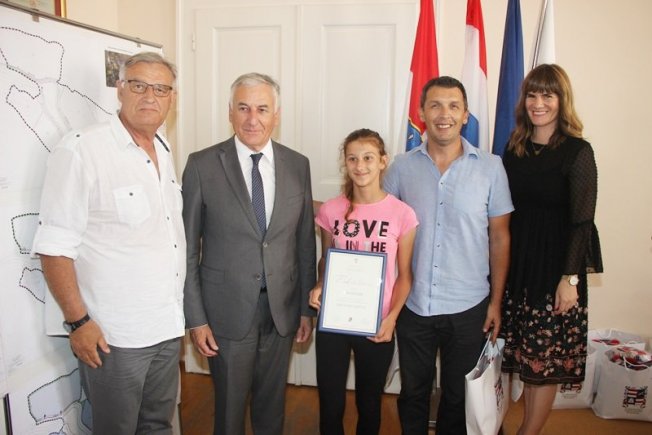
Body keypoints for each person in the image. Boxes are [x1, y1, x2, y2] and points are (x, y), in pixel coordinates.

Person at [31, 52, 185, 434]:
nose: (149, 96)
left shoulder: (163, 150)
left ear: (172, 98)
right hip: (114, 337)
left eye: (160, 89)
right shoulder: (83, 149)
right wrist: (79, 322)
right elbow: (54, 247)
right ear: (120, 89)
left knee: (158, 425)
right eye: (138, 85)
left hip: (166, 327)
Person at [182, 72, 316, 435]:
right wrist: (196, 318)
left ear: (277, 114)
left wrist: (305, 308)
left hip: (281, 310)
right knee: (229, 412)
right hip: (225, 312)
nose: (252, 118)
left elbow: (305, 241)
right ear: (230, 112)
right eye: (243, 108)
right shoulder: (202, 165)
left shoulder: (297, 164)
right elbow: (187, 250)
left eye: (262, 109)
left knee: (272, 408)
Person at [383, 76, 513, 435]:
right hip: (414, 305)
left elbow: (500, 238)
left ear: (466, 114)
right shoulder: (401, 167)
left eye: (454, 106)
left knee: (458, 397)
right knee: (413, 393)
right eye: (436, 105)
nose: (445, 114)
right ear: (422, 112)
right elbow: (381, 227)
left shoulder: (491, 168)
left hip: (469, 306)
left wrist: (496, 303)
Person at [500, 64, 603, 435]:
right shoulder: (514, 148)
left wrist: (569, 278)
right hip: (518, 268)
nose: (538, 103)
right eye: (532, 94)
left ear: (562, 100)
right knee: (523, 358)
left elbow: (582, 221)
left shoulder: (578, 152)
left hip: (555, 271)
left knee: (543, 365)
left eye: (547, 95)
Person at [308, 129, 418, 434]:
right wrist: (320, 285)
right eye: (352, 159)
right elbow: (326, 260)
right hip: (334, 320)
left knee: (369, 404)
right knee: (330, 403)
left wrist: (391, 319)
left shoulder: (402, 214)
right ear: (345, 163)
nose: (360, 166)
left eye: (368, 158)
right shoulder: (331, 210)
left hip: (377, 324)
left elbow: (405, 275)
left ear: (383, 161)